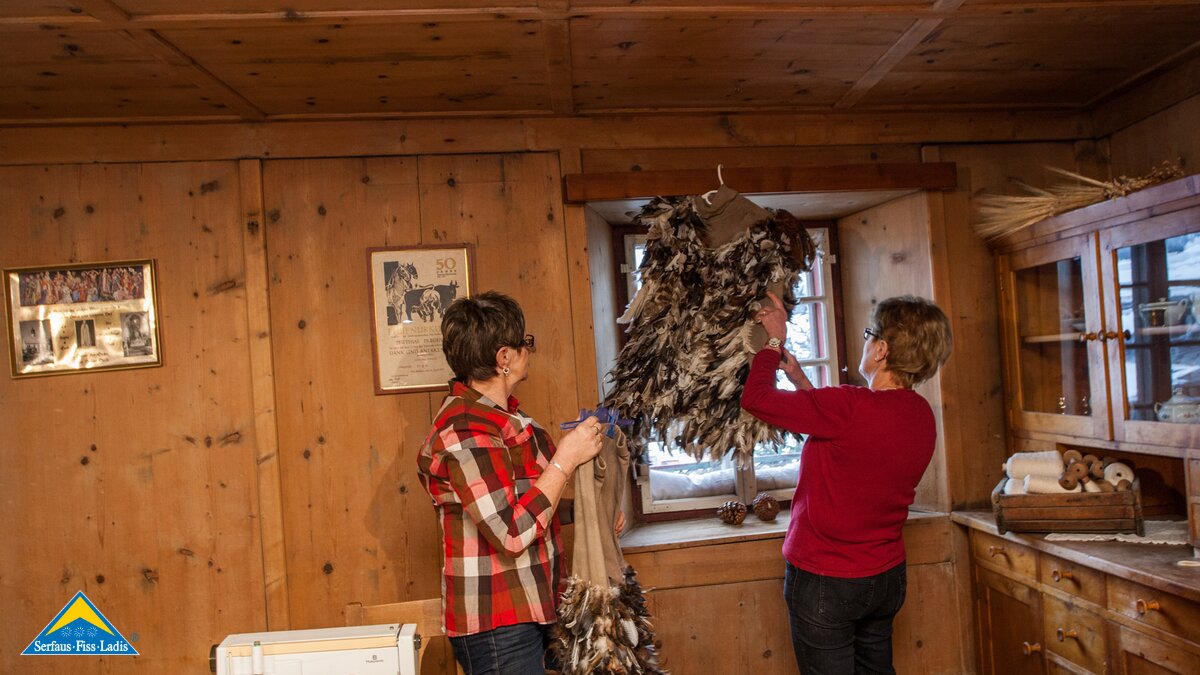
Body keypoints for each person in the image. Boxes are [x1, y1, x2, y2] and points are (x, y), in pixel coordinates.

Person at [741, 291, 952, 675]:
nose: (865, 341)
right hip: (886, 579)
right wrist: (799, 377)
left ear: (882, 349)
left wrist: (774, 339)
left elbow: (756, 398)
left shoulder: (850, 406)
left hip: (827, 579)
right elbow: (847, 437)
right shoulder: (920, 414)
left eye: (870, 334)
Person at [417, 291, 607, 675]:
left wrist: (586, 512)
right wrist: (565, 459)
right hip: (497, 622)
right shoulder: (464, 431)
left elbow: (524, 502)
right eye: (526, 344)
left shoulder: (505, 420)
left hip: (537, 605)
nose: (528, 352)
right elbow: (511, 533)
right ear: (504, 358)